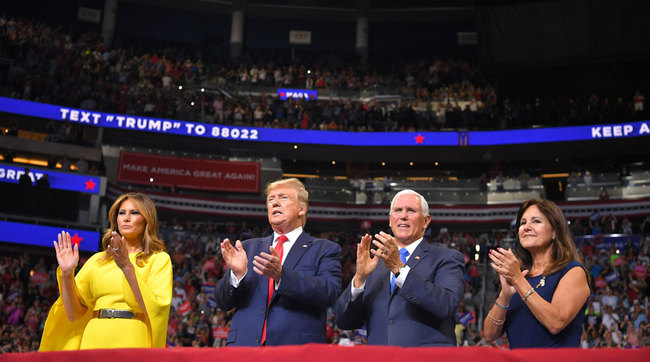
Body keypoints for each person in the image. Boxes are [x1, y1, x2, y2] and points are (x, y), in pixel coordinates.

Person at [215, 178, 342, 346]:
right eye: (270, 199)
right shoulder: (247, 248)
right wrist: (237, 276)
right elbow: (223, 303)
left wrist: (282, 276)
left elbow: (329, 292)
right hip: (245, 350)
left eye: (283, 197)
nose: (275, 203)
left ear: (302, 209)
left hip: (295, 350)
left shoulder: (325, 249)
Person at [39, 192, 173, 350]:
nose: (126, 218)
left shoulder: (159, 259)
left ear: (147, 219)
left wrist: (126, 266)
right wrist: (67, 273)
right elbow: (73, 315)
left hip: (133, 337)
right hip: (94, 337)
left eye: (134, 212)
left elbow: (155, 310)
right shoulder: (98, 260)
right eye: (122, 213)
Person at [335, 189, 465, 346]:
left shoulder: (446, 258)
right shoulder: (375, 264)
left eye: (411, 210)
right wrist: (359, 279)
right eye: (398, 210)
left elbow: (447, 305)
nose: (403, 216)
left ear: (426, 220)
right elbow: (345, 322)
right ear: (390, 220)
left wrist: (399, 269)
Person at [483, 198, 590, 348]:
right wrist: (505, 295)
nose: (526, 227)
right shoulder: (519, 276)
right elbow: (489, 335)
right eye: (523, 222)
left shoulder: (572, 272)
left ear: (555, 232)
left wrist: (518, 280)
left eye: (536, 221)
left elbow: (556, 323)